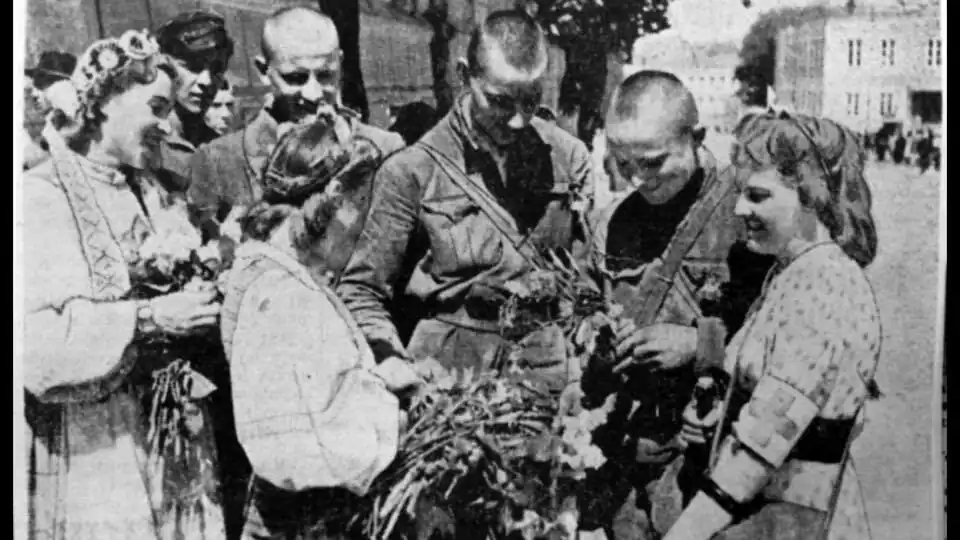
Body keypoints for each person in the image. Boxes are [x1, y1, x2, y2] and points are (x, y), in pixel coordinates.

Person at [22, 30, 223, 539]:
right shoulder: (41, 197)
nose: (165, 124)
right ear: (101, 103)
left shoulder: (157, 192)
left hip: (174, 428)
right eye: (155, 107)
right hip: (99, 438)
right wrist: (151, 317)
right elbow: (37, 347)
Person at [337, 9, 597, 396]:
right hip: (451, 382)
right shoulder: (412, 171)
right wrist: (389, 357)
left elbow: (584, 278)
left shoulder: (566, 156)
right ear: (463, 76)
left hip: (546, 373)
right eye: (500, 102)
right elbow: (362, 290)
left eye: (531, 100)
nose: (518, 121)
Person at [662, 110, 881, 540]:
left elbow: (759, 450)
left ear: (812, 196)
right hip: (774, 514)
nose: (739, 208)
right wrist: (719, 409)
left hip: (792, 518)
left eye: (758, 196)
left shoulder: (823, 285)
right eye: (741, 193)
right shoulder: (792, 269)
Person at [576, 70, 776, 539]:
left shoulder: (744, 213)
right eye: (622, 164)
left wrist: (696, 344)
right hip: (635, 454)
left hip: (716, 459)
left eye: (651, 162)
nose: (635, 179)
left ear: (697, 137)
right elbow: (588, 306)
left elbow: (788, 334)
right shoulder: (615, 222)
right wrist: (596, 336)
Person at [219, 119, 400, 539]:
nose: (363, 228)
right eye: (363, 205)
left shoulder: (277, 273)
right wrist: (394, 418)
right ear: (335, 197)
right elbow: (306, 449)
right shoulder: (282, 296)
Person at [186, 4, 404, 240]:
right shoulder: (220, 161)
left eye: (325, 75)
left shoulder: (386, 149)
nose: (314, 93)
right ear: (263, 70)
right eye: (295, 78)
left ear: (341, 65)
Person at [155, 9, 235, 194]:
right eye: (194, 66)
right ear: (164, 65)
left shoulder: (220, 148)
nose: (206, 81)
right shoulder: (147, 146)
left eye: (216, 69)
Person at [22, 50, 78, 169]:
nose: (35, 95)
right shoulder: (53, 122)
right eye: (36, 85)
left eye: (42, 85)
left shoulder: (73, 119)